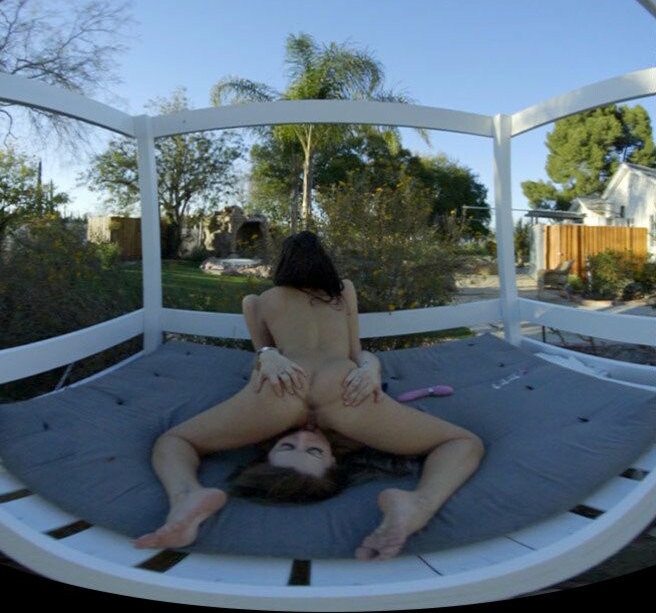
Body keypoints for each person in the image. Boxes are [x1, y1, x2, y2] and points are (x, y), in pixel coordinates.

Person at [133, 231, 484, 561]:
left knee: (175, 440)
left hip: (283, 387)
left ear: (281, 266)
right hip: (343, 387)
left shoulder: (258, 301)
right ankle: (420, 504)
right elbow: (355, 352)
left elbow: (263, 357)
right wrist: (370, 369)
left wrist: (269, 355)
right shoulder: (343, 290)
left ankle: (186, 496)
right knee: (461, 442)